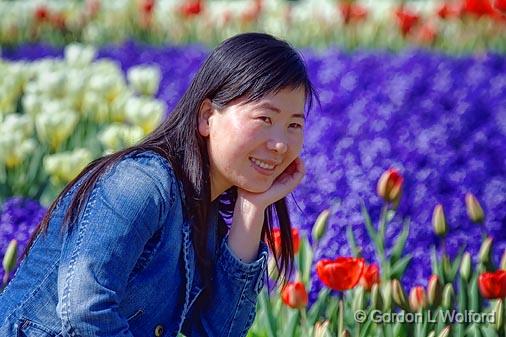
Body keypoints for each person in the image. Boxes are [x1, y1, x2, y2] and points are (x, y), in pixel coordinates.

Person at [0, 32, 317, 337]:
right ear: (207, 116)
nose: (279, 144)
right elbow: (86, 310)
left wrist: (252, 208)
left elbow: (215, 332)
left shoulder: (203, 219)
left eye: (294, 125)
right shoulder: (140, 184)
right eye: (265, 119)